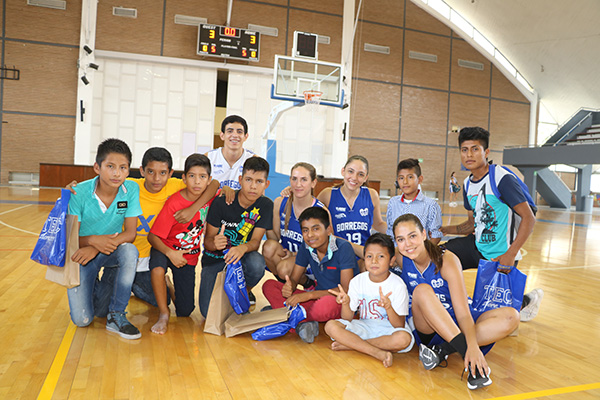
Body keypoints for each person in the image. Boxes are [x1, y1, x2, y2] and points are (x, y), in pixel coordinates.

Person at [67, 147, 222, 311]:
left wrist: (195, 208)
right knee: (101, 310)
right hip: (122, 257)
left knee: (160, 301)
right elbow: (104, 181)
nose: (156, 178)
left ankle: (152, 284)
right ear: (141, 171)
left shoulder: (177, 185)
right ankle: (106, 284)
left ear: (171, 174)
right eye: (150, 172)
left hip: (148, 262)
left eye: (163, 173)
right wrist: (73, 188)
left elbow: (213, 184)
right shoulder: (130, 187)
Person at [393, 214, 519, 390]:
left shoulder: (447, 260)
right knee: (422, 290)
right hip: (428, 326)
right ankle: (472, 364)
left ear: (423, 234)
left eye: (412, 236)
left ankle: (442, 350)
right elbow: (370, 253)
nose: (407, 244)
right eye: (401, 239)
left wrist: (473, 346)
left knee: (511, 316)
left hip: (457, 319)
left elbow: (462, 313)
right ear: (396, 243)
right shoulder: (401, 257)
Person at [440, 127, 543, 322]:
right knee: (438, 258)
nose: (469, 154)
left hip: (501, 254)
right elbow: (471, 224)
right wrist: (444, 230)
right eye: (464, 149)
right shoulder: (467, 184)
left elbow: (529, 218)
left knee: (490, 317)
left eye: (475, 149)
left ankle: (526, 300)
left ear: (486, 152)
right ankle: (448, 304)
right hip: (476, 245)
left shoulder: (501, 178)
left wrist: (510, 254)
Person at [66, 138, 143, 339]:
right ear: (97, 167)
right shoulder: (78, 192)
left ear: (128, 170)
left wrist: (97, 246)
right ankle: (91, 289)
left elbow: (130, 234)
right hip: (82, 256)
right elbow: (71, 236)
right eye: (110, 166)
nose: (117, 173)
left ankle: (116, 315)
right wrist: (92, 241)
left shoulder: (131, 189)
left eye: (123, 167)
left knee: (129, 251)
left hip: (108, 252)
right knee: (82, 320)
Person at [262, 207, 359, 343]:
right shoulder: (306, 246)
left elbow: (345, 290)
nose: (310, 235)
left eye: (316, 229)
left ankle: (284, 315)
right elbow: (295, 278)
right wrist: (289, 286)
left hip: (339, 301)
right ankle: (300, 321)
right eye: (305, 230)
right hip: (316, 297)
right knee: (269, 285)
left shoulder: (343, 247)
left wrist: (308, 295)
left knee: (323, 307)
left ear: (329, 229)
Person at [147, 154, 219, 334]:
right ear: (184, 178)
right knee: (157, 268)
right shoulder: (174, 203)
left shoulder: (209, 196)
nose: (197, 182)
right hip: (165, 248)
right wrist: (170, 253)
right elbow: (153, 237)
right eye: (192, 176)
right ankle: (163, 313)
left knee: (185, 311)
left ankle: (169, 285)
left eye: (202, 177)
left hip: (188, 257)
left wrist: (228, 190)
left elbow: (217, 185)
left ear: (208, 179)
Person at [324, 233, 414, 368]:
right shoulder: (357, 281)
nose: (374, 261)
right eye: (369, 256)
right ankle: (376, 352)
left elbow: (398, 325)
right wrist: (346, 303)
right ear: (364, 259)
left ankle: (353, 345)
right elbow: (346, 318)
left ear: (391, 261)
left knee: (403, 339)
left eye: (381, 256)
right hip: (364, 326)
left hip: (388, 329)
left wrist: (388, 307)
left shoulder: (398, 285)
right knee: (330, 326)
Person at [200, 156, 273, 316]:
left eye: (259, 181)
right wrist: (215, 242)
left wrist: (241, 248)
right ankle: (229, 296)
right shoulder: (222, 202)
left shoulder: (266, 205)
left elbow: (255, 242)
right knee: (207, 313)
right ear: (240, 180)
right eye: (248, 179)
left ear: (266, 184)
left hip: (242, 261)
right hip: (215, 262)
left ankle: (242, 293)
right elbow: (208, 242)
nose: (253, 186)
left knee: (257, 262)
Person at [262, 162, 326, 287]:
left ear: (313, 183)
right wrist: (265, 216)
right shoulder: (280, 203)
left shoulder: (320, 212)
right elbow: (274, 238)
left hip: (311, 260)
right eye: (294, 179)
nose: (298, 184)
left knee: (283, 269)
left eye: (304, 180)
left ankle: (309, 285)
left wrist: (294, 255)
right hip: (288, 255)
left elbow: (325, 249)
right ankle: (285, 286)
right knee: (268, 247)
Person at [317, 155, 387, 267]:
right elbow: (309, 210)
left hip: (363, 254)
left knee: (371, 266)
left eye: (360, 174)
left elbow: (378, 223)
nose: (354, 178)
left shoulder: (371, 194)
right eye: (350, 171)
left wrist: (397, 233)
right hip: (338, 253)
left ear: (365, 178)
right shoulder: (327, 194)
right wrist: (294, 191)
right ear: (343, 171)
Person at [386, 158, 442, 245]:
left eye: (410, 177)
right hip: (397, 254)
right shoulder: (393, 203)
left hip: (419, 255)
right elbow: (390, 232)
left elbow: (436, 235)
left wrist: (424, 253)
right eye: (401, 178)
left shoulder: (430, 205)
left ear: (420, 179)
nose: (405, 182)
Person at [206, 115, 256, 190]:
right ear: (222, 135)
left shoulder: (254, 160)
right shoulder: (208, 158)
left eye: (239, 132)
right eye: (230, 131)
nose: (235, 135)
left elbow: (259, 194)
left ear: (245, 136)